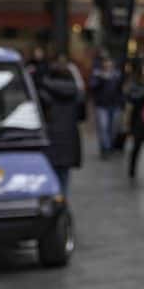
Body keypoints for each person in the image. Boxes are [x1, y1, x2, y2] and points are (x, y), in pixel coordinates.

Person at [37, 54, 85, 195]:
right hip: (69, 139)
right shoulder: (76, 94)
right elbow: (81, 116)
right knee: (64, 175)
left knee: (51, 175)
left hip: (50, 137)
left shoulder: (44, 92)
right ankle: (63, 201)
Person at [89, 56, 125, 159]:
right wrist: (101, 79)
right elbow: (92, 86)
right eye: (106, 62)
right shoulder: (97, 74)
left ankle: (108, 146)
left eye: (109, 62)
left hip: (115, 105)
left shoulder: (117, 75)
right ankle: (106, 148)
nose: (108, 65)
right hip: (102, 106)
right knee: (103, 127)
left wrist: (122, 103)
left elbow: (121, 90)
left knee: (113, 129)